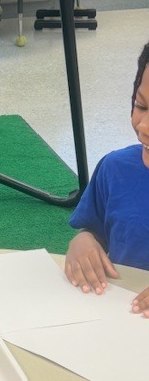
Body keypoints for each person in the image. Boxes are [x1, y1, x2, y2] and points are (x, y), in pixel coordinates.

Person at [65, 40, 149, 316]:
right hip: (118, 319)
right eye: (141, 106)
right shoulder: (115, 169)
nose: (144, 126)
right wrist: (83, 241)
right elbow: (95, 231)